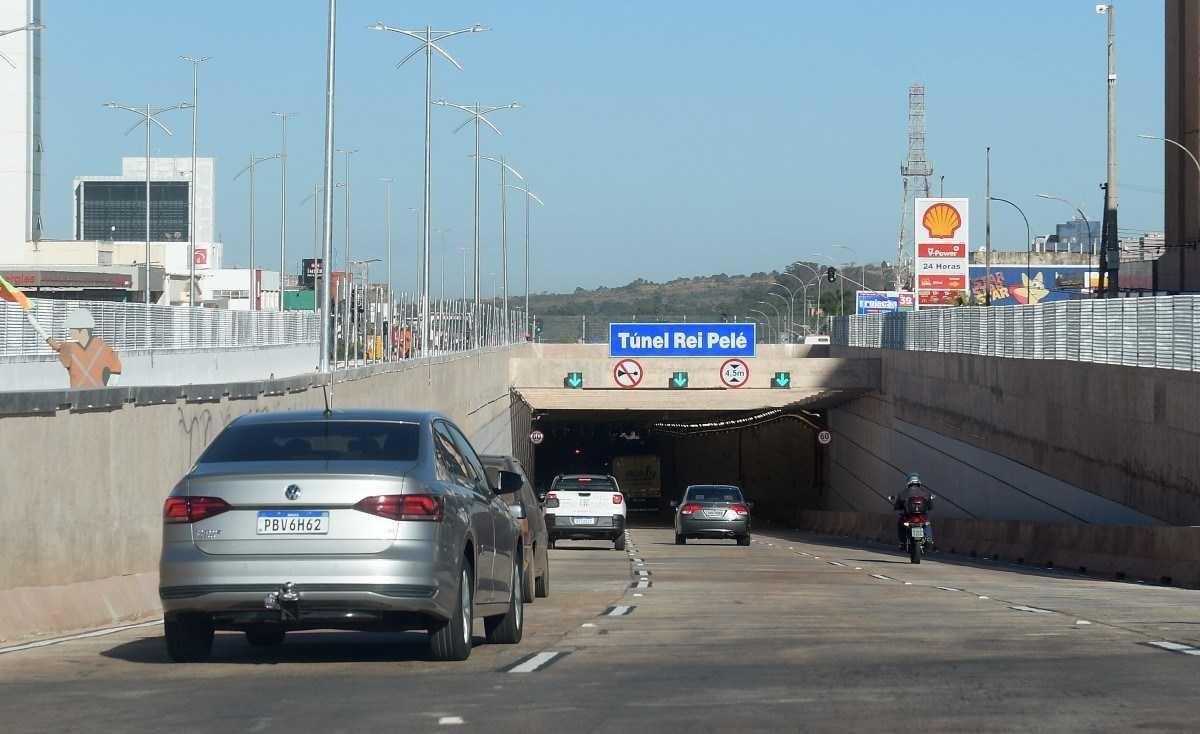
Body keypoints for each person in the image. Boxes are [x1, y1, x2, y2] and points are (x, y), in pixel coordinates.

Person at [45, 308, 123, 389]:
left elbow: (58, 348)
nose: (70, 332)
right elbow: (116, 368)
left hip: (77, 396)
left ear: (83, 331)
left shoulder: (70, 348)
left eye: (72, 329)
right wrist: (109, 388)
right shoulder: (103, 347)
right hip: (98, 395)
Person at [894, 473, 933, 547]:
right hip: (922, 516)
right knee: (927, 523)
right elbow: (930, 506)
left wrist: (897, 507)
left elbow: (897, 505)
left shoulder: (903, 493)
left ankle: (902, 541)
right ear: (918, 482)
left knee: (900, 523)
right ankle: (928, 538)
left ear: (908, 482)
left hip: (908, 516)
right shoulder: (925, 493)